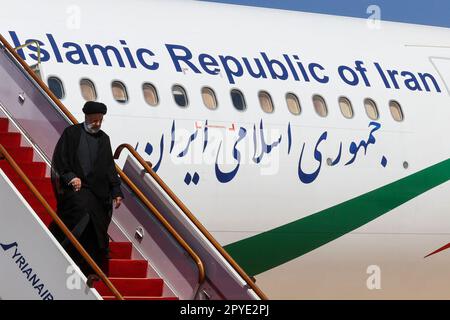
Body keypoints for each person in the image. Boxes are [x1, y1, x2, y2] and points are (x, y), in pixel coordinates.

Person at [50, 101, 123, 277]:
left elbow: (109, 167)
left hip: (98, 194)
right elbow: (61, 160)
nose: (97, 124)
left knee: (96, 228)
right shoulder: (72, 134)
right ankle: (65, 258)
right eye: (94, 120)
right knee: (78, 215)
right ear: (86, 117)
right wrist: (71, 177)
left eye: (100, 121)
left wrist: (116, 191)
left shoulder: (104, 139)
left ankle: (92, 270)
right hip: (76, 190)